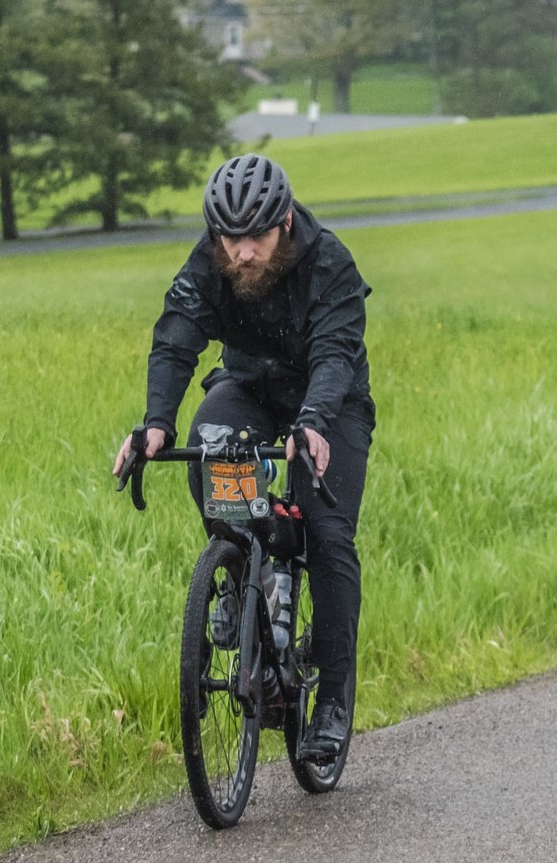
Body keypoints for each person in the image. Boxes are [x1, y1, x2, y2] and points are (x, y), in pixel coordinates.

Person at [111, 153, 373, 767]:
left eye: (254, 236)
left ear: (283, 222)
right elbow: (177, 336)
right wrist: (155, 423)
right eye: (230, 238)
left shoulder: (328, 261)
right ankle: (240, 576)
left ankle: (331, 703)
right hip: (248, 388)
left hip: (328, 399)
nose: (242, 253)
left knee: (330, 538)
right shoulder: (212, 260)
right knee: (208, 449)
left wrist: (312, 422)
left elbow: (336, 352)